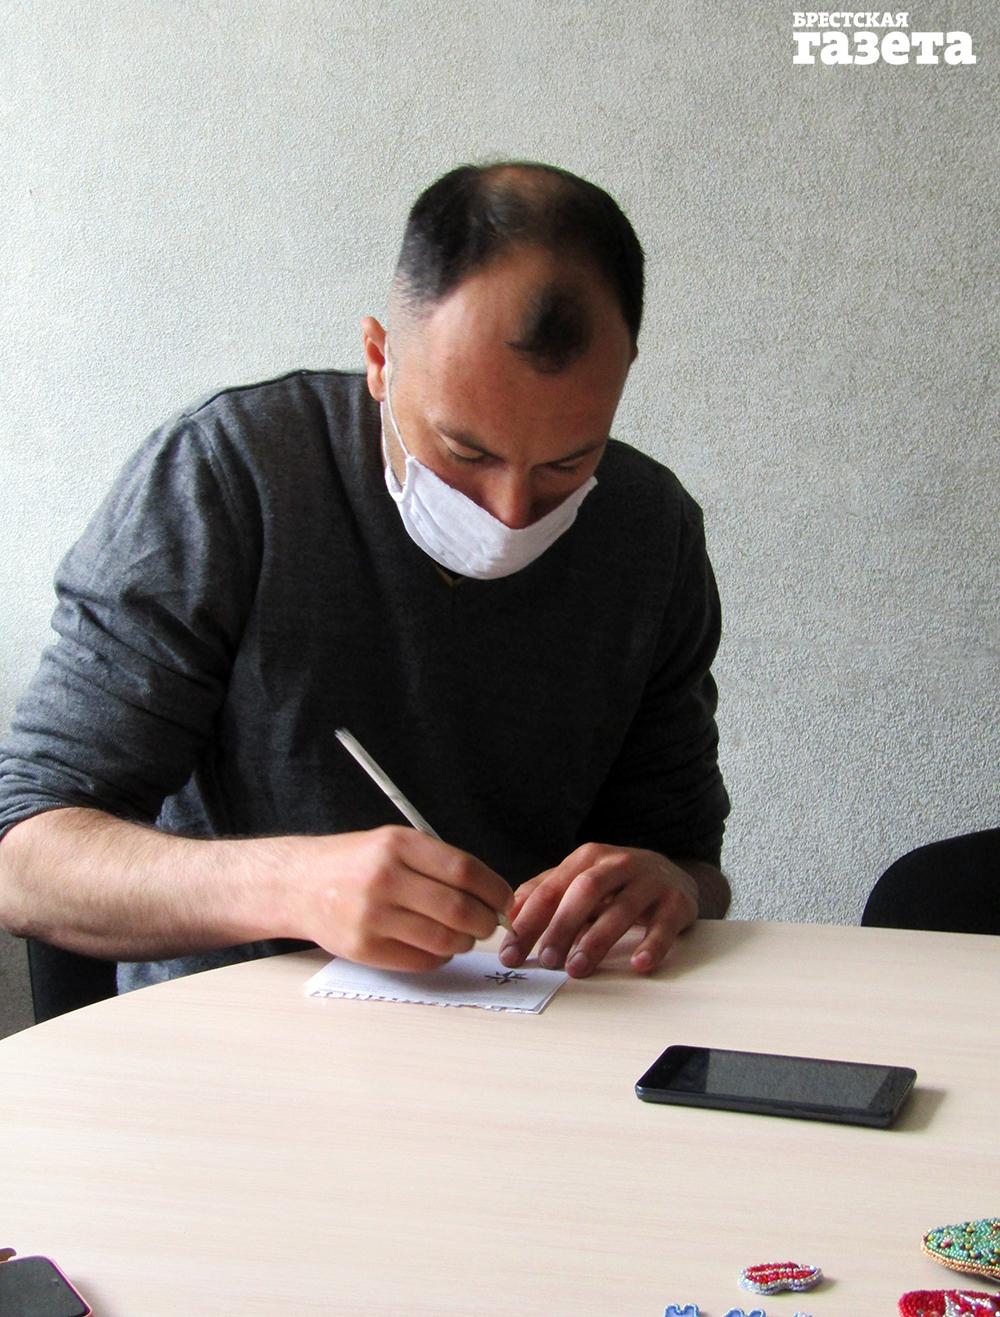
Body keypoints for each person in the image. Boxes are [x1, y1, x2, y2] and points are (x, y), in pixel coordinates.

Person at [0, 161, 730, 992]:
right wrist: (292, 886)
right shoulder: (231, 477)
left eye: (567, 463)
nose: (510, 513)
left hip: (532, 1023)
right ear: (380, 359)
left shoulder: (650, 529)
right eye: (465, 452)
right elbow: (25, 855)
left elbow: (693, 863)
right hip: (235, 1034)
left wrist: (669, 884)